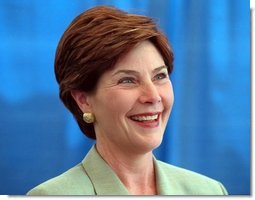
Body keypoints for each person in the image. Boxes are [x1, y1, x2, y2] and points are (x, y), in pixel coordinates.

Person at [27, 5, 228, 195]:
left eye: (159, 76)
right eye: (128, 80)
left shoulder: (209, 191)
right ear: (83, 100)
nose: (153, 96)